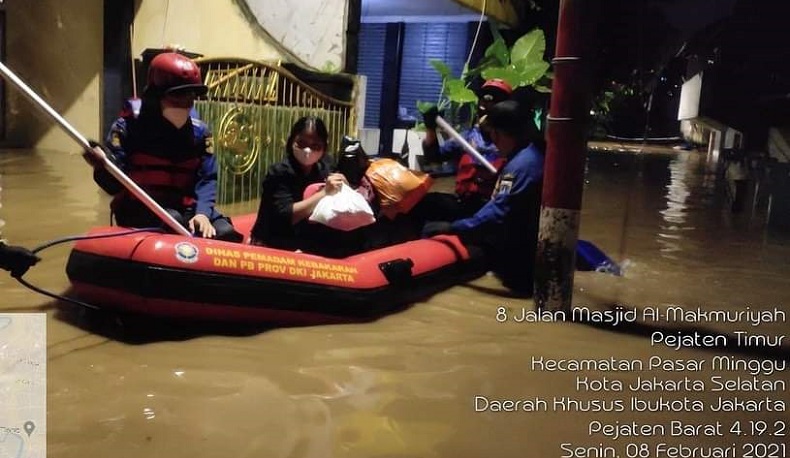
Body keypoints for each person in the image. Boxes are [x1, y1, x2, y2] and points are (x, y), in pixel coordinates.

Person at [84, 52, 243, 242]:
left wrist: (202, 213)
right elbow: (114, 184)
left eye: (189, 99)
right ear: (155, 97)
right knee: (172, 221)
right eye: (177, 98)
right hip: (142, 207)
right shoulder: (128, 129)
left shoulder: (200, 133)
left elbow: (207, 178)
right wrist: (102, 166)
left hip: (185, 208)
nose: (184, 106)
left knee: (225, 232)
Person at [421, 100, 545, 295]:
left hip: (506, 236)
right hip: (475, 209)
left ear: (499, 133)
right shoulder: (529, 152)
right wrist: (430, 128)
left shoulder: (522, 164)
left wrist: (453, 229)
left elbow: (499, 213)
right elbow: (434, 157)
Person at [249, 116, 370, 258]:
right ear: (291, 141)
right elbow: (285, 216)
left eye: (315, 146)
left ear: (324, 147)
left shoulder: (325, 168)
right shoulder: (279, 172)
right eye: (301, 143)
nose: (307, 150)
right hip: (272, 243)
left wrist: (344, 187)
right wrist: (325, 192)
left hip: (305, 241)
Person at [421, 79, 512, 216]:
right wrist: (430, 128)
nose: (486, 105)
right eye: (483, 100)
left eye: (494, 102)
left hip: (493, 208)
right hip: (464, 204)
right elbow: (433, 157)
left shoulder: (510, 142)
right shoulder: (467, 138)